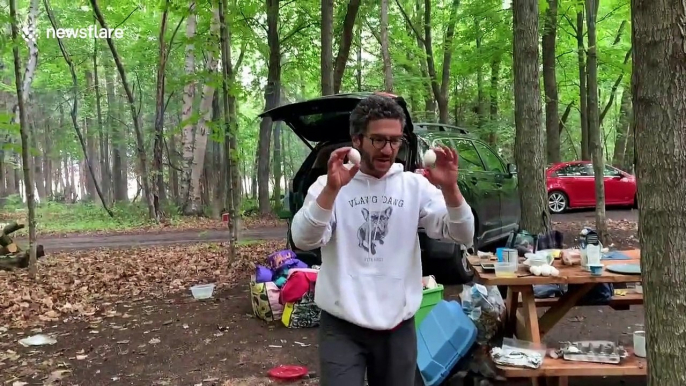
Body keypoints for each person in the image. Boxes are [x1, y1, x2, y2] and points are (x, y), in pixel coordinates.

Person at [290, 95, 475, 386]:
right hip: (342, 325)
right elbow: (302, 239)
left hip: (397, 325)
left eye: (395, 140)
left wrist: (451, 189)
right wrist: (331, 193)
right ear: (357, 139)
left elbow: (463, 233)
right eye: (378, 140)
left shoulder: (414, 186)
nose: (388, 150)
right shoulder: (329, 185)